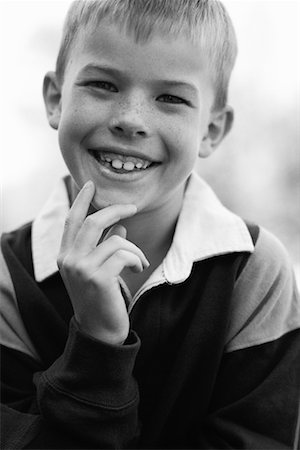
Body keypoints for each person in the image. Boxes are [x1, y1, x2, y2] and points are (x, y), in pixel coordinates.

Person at [1, 0, 299, 448]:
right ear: (56, 99)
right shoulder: (7, 278)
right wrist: (98, 343)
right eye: (103, 84)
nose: (131, 121)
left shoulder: (256, 273)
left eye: (171, 98)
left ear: (212, 130)